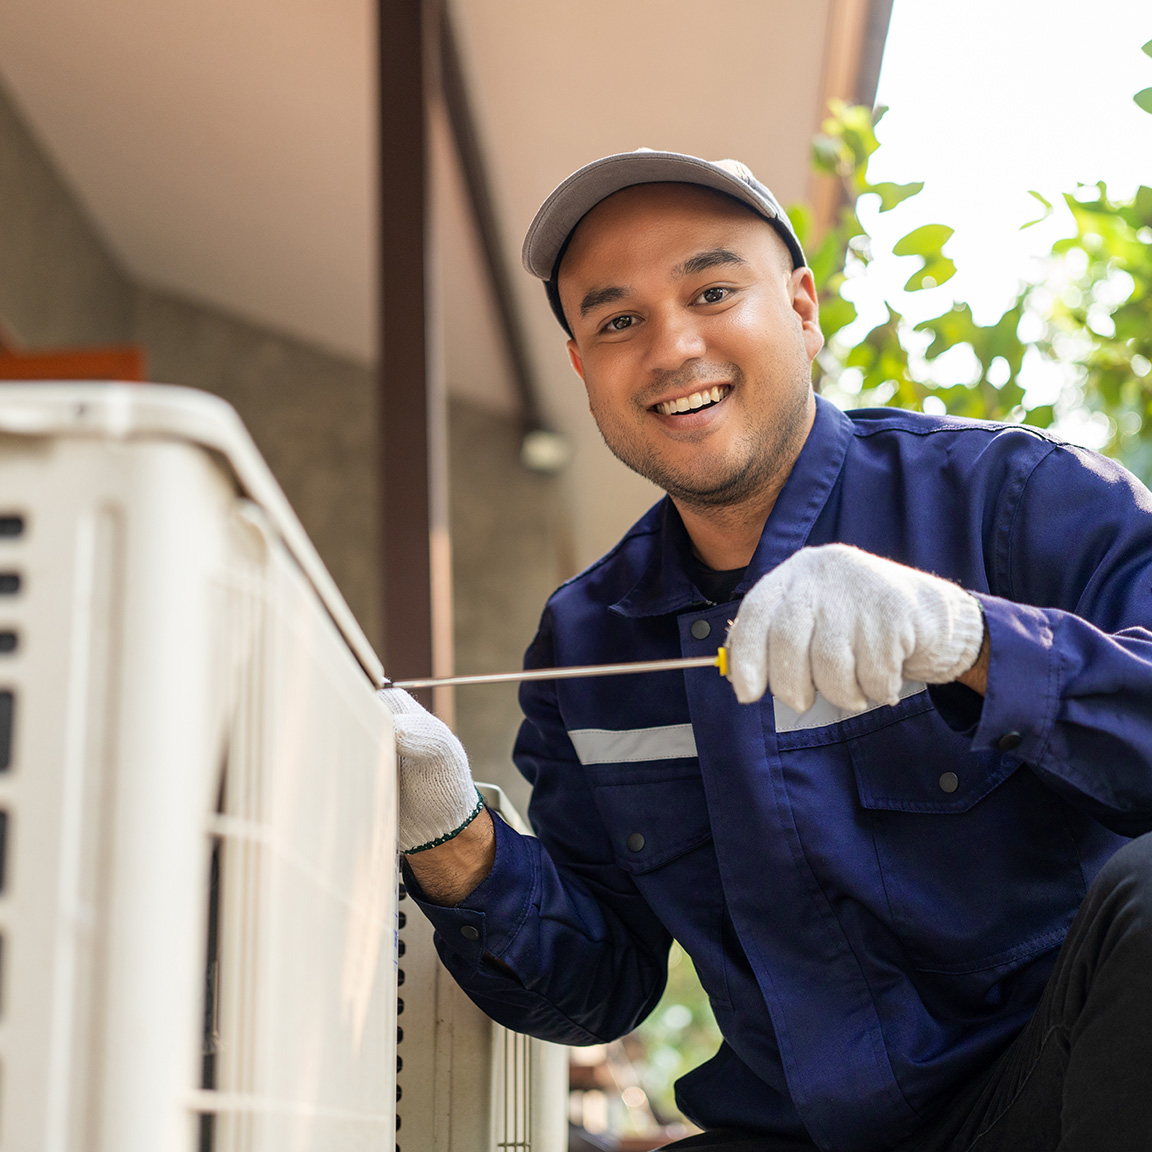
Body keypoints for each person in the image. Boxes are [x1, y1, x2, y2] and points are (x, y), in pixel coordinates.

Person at [380, 150, 1152, 1152]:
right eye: (617, 321)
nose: (671, 347)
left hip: (1047, 1101)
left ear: (801, 307)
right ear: (581, 364)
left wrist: (971, 640)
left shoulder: (1014, 501)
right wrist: (451, 836)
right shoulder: (586, 643)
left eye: (712, 290)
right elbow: (597, 985)